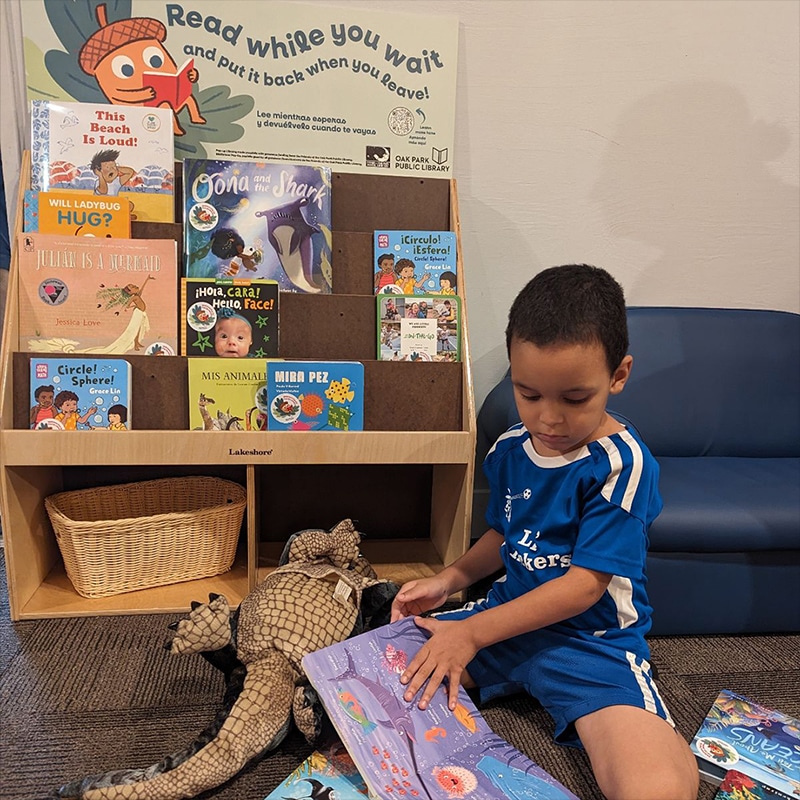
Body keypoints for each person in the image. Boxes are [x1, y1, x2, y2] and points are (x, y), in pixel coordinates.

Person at [391, 264, 699, 800]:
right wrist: (449, 580)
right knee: (380, 668)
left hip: (590, 642)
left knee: (658, 786)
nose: (548, 419)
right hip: (502, 621)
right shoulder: (512, 445)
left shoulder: (620, 464)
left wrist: (471, 633)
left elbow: (585, 587)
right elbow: (506, 534)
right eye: (528, 394)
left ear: (619, 375)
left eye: (574, 399)